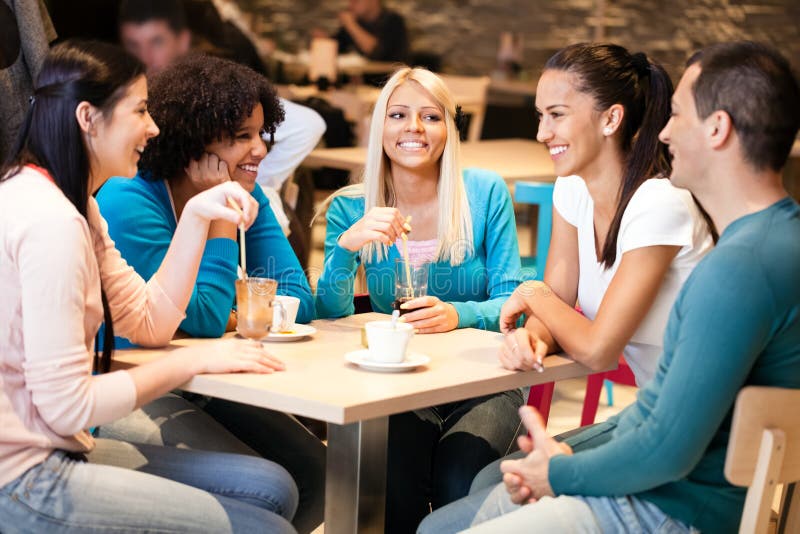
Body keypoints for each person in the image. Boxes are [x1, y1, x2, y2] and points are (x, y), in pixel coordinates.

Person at [419, 40, 800, 534]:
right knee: (477, 496)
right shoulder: (776, 239)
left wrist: (558, 471)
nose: (662, 130)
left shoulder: (737, 267)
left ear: (718, 129)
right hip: (690, 480)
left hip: (679, 505)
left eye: (677, 115)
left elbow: (665, 447)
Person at [0, 40, 298, 533]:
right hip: (24, 473)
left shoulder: (76, 205)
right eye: (140, 110)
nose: (154, 127)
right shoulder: (50, 220)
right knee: (268, 526)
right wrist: (192, 361)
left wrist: (200, 213)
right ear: (88, 118)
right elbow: (69, 404)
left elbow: (150, 322)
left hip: (59, 446)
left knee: (274, 487)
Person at [96, 53, 325, 534]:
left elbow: (297, 297)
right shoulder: (128, 198)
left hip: (207, 379)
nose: (260, 150)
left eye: (261, 133)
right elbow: (200, 317)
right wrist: (220, 219)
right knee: (266, 490)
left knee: (319, 473)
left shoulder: (247, 191)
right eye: (241, 136)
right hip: (132, 387)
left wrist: (225, 308)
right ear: (192, 136)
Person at [315, 66, 524, 533]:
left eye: (431, 116)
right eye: (398, 115)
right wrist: (346, 252)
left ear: (449, 129)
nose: (413, 128)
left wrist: (460, 314)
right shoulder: (351, 206)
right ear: (379, 127)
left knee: (459, 475)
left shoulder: (485, 192)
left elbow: (513, 299)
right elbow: (330, 312)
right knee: (390, 477)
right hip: (400, 381)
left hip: (483, 378)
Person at [498, 43, 713, 388]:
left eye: (557, 114)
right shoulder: (571, 188)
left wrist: (531, 290)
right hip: (660, 409)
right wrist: (534, 336)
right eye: (540, 115)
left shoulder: (659, 203)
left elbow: (598, 350)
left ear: (611, 118)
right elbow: (556, 301)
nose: (542, 133)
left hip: (716, 420)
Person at [117, 0, 326, 202]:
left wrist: (254, 183)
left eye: (157, 42)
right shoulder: (130, 192)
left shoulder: (210, 94)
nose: (144, 57)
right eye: (132, 45)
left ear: (183, 40)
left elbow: (308, 125)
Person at [334, 0, 409, 63]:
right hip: (359, 77)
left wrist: (351, 25)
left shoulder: (393, 21)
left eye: (356, 1)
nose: (350, 5)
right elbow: (336, 46)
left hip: (390, 78)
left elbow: (375, 52)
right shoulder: (357, 22)